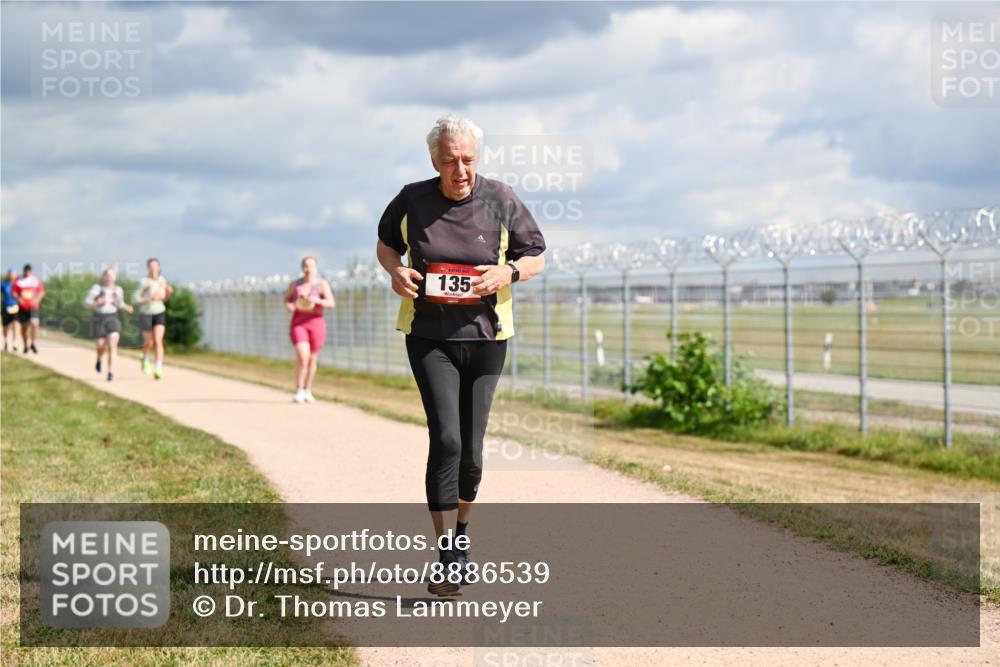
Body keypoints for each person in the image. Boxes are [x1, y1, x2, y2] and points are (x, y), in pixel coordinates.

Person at [376, 115, 546, 596]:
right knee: (446, 438)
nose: (460, 170)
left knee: (471, 448)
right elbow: (388, 246)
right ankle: (447, 552)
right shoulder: (412, 198)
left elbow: (537, 255)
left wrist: (508, 273)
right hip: (429, 336)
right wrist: (395, 273)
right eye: (449, 161)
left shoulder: (501, 198)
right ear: (435, 161)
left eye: (468, 159)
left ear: (478, 159)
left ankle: (463, 535)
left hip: (488, 337)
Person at [284, 256, 335, 403]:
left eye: (311, 266)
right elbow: (287, 299)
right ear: (302, 268)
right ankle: (299, 389)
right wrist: (289, 305)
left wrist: (317, 300)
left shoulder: (321, 284)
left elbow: (331, 303)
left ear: (316, 268)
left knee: (313, 358)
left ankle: (307, 389)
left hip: (316, 322)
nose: (308, 269)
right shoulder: (295, 284)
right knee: (303, 356)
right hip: (299, 323)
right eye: (306, 266)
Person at [83, 268, 134, 381]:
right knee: (101, 344)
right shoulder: (97, 288)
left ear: (115, 277)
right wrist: (97, 302)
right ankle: (99, 358)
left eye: (112, 275)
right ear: (103, 276)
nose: (109, 278)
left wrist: (127, 308)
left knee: (112, 344)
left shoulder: (118, 290)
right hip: (99, 317)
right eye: (107, 275)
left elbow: (120, 304)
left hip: (112, 317)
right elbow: (86, 303)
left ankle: (110, 372)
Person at [134, 258, 173, 379]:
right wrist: (148, 298)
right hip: (146, 313)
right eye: (151, 266)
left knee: (158, 340)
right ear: (148, 268)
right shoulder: (144, 282)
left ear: (159, 267)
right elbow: (136, 299)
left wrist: (169, 293)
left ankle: (158, 367)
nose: (153, 269)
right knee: (149, 342)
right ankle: (145, 358)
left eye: (155, 266)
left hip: (159, 312)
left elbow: (163, 299)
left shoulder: (162, 280)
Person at [12, 263, 44, 354]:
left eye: (28, 271)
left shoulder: (36, 280)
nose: (27, 273)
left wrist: (37, 299)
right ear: (23, 271)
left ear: (31, 271)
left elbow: (41, 292)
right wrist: (19, 299)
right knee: (25, 327)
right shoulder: (18, 280)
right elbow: (14, 292)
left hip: (33, 307)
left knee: (35, 324)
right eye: (25, 271)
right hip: (22, 308)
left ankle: (33, 344)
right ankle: (25, 345)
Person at [2, 269, 20, 352]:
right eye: (10, 274)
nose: (11, 275)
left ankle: (15, 343)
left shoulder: (19, 284)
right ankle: (6, 341)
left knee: (15, 324)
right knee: (5, 327)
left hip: (15, 307)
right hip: (6, 308)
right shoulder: (5, 284)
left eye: (13, 274)